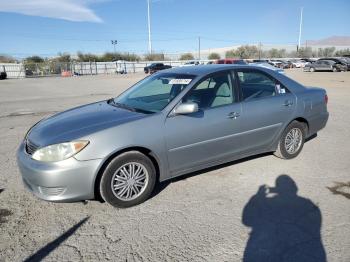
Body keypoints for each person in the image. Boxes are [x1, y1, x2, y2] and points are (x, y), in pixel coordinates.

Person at [242, 175, 326, 262]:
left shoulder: (305, 203)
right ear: (294, 188)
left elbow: (247, 220)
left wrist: (258, 195)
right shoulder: (307, 203)